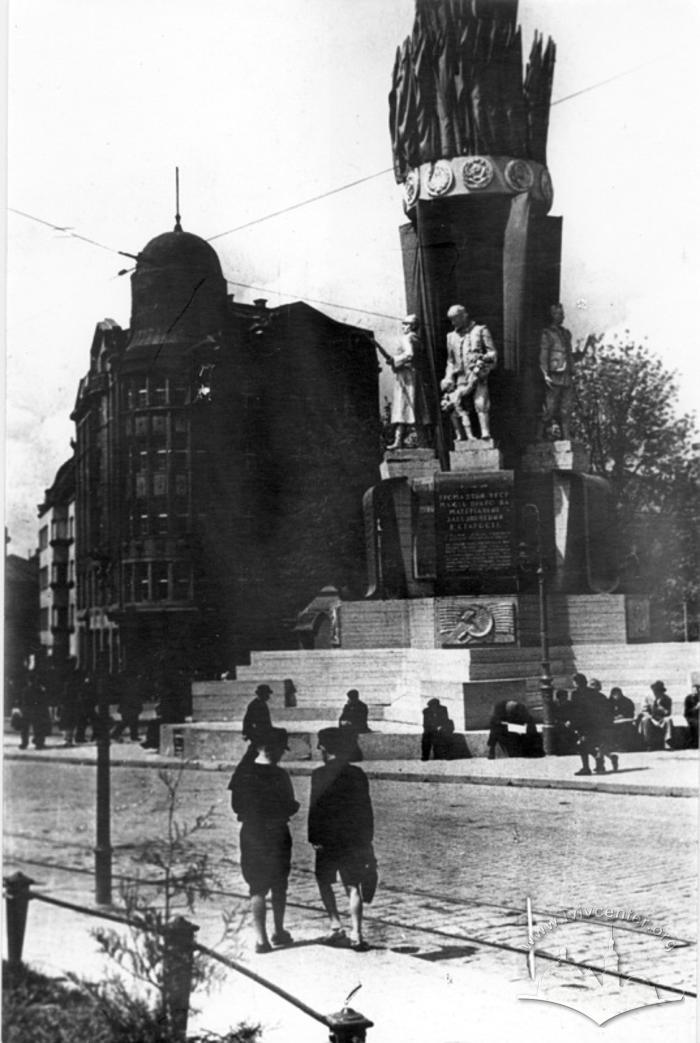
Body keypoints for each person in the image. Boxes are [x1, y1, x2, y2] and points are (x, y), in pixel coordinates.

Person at [228, 726, 299, 954]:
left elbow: (237, 806)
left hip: (252, 833)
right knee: (279, 884)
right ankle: (279, 931)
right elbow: (290, 804)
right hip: (277, 833)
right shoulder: (280, 775)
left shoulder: (243, 773)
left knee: (257, 887)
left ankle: (261, 940)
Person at [308, 727, 376, 952]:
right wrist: (366, 839)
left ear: (325, 748)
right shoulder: (357, 774)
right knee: (353, 885)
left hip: (327, 840)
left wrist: (314, 838)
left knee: (324, 881)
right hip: (352, 840)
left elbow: (315, 809)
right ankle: (357, 933)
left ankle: (335, 924)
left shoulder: (319, 774)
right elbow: (365, 810)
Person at [440, 304, 497, 441]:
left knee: (480, 402)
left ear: (464, 316)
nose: (453, 323)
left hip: (477, 374)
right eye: (451, 320)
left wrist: (483, 359)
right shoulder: (451, 337)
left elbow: (492, 352)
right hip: (460, 377)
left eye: (455, 319)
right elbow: (450, 361)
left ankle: (485, 432)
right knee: (457, 408)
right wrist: (448, 377)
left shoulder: (480, 330)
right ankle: (462, 436)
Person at [538, 303, 585, 440]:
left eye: (562, 313)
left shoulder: (566, 334)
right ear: (552, 315)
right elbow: (544, 355)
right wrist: (545, 374)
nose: (562, 316)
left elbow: (569, 355)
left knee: (566, 408)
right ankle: (538, 435)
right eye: (559, 313)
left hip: (567, 375)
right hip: (554, 374)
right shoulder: (547, 333)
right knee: (550, 407)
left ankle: (566, 436)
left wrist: (581, 353)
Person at [386, 315, 430, 449]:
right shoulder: (418, 339)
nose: (402, 326)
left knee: (402, 408)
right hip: (414, 375)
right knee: (415, 409)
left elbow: (409, 354)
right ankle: (423, 442)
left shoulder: (408, 338)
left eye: (405, 324)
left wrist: (395, 360)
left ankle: (398, 441)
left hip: (406, 377)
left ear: (411, 326)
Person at [567, 673, 616, 775]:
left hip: (584, 724)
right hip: (593, 724)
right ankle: (604, 761)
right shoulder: (593, 693)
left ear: (576, 683)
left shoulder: (576, 694)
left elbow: (575, 710)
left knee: (583, 745)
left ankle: (587, 768)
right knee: (587, 745)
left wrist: (572, 722)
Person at [18, 671, 51, 750]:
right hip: (36, 711)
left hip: (26, 710)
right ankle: (38, 743)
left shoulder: (25, 689)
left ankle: (24, 743)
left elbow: (22, 701)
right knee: (38, 727)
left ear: (28, 681)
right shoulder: (39, 689)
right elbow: (43, 700)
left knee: (25, 729)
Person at [637, 681, 674, 750]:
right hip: (650, 716)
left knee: (668, 720)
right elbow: (644, 710)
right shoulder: (647, 697)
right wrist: (649, 716)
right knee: (645, 720)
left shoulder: (667, 699)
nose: (657, 692)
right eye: (655, 690)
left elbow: (668, 713)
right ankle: (648, 743)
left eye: (659, 691)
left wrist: (662, 709)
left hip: (661, 717)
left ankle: (667, 741)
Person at [338, 688, 371, 761]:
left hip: (359, 726)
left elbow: (362, 719)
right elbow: (342, 717)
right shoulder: (348, 706)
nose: (350, 699)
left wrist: (350, 722)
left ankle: (353, 755)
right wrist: (343, 722)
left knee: (349, 734)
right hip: (348, 727)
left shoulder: (362, 706)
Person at [608, 686, 637, 752]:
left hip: (625, 722)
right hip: (613, 722)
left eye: (618, 694)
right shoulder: (609, 702)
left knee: (625, 728)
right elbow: (606, 713)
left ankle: (624, 746)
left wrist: (623, 716)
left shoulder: (627, 702)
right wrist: (613, 717)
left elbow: (630, 714)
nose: (616, 696)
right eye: (614, 694)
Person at [684, 682, 699, 749]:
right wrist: (696, 707)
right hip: (690, 717)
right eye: (693, 690)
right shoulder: (688, 698)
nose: (694, 692)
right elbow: (687, 711)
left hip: (697, 717)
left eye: (696, 690)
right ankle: (694, 743)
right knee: (696, 724)